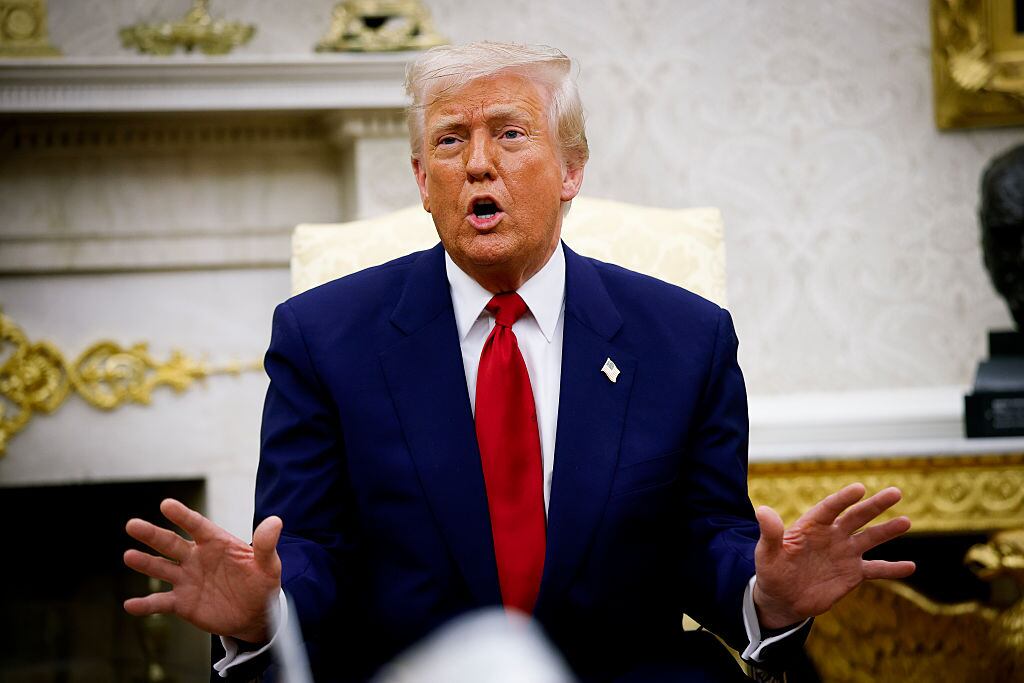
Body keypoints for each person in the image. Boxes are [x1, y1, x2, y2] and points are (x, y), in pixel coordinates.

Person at [123, 42, 915, 682]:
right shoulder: (322, 337)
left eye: (508, 133)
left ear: (571, 170)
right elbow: (308, 549)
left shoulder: (685, 338)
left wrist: (765, 594)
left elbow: (705, 538)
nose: (477, 163)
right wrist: (263, 612)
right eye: (449, 140)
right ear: (422, 181)